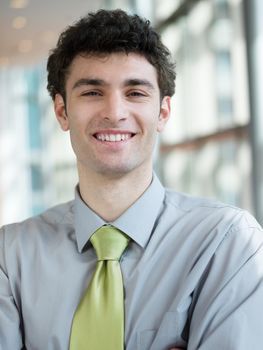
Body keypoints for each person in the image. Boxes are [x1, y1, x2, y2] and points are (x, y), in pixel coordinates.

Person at [0, 8, 263, 350]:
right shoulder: (10, 256)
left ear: (162, 112)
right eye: (92, 92)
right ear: (62, 111)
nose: (114, 111)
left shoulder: (227, 245)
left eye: (135, 93)